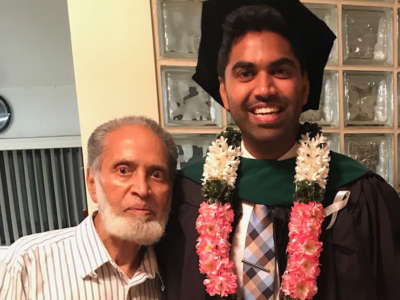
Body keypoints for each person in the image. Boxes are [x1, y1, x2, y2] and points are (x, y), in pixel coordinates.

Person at [156, 1, 400, 299]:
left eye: (281, 71)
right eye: (246, 73)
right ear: (224, 91)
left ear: (305, 87)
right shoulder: (187, 196)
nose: (264, 89)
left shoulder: (359, 196)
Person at [0, 116, 178, 300]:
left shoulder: (175, 274)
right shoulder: (27, 265)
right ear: (92, 183)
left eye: (157, 175)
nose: (142, 189)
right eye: (123, 170)